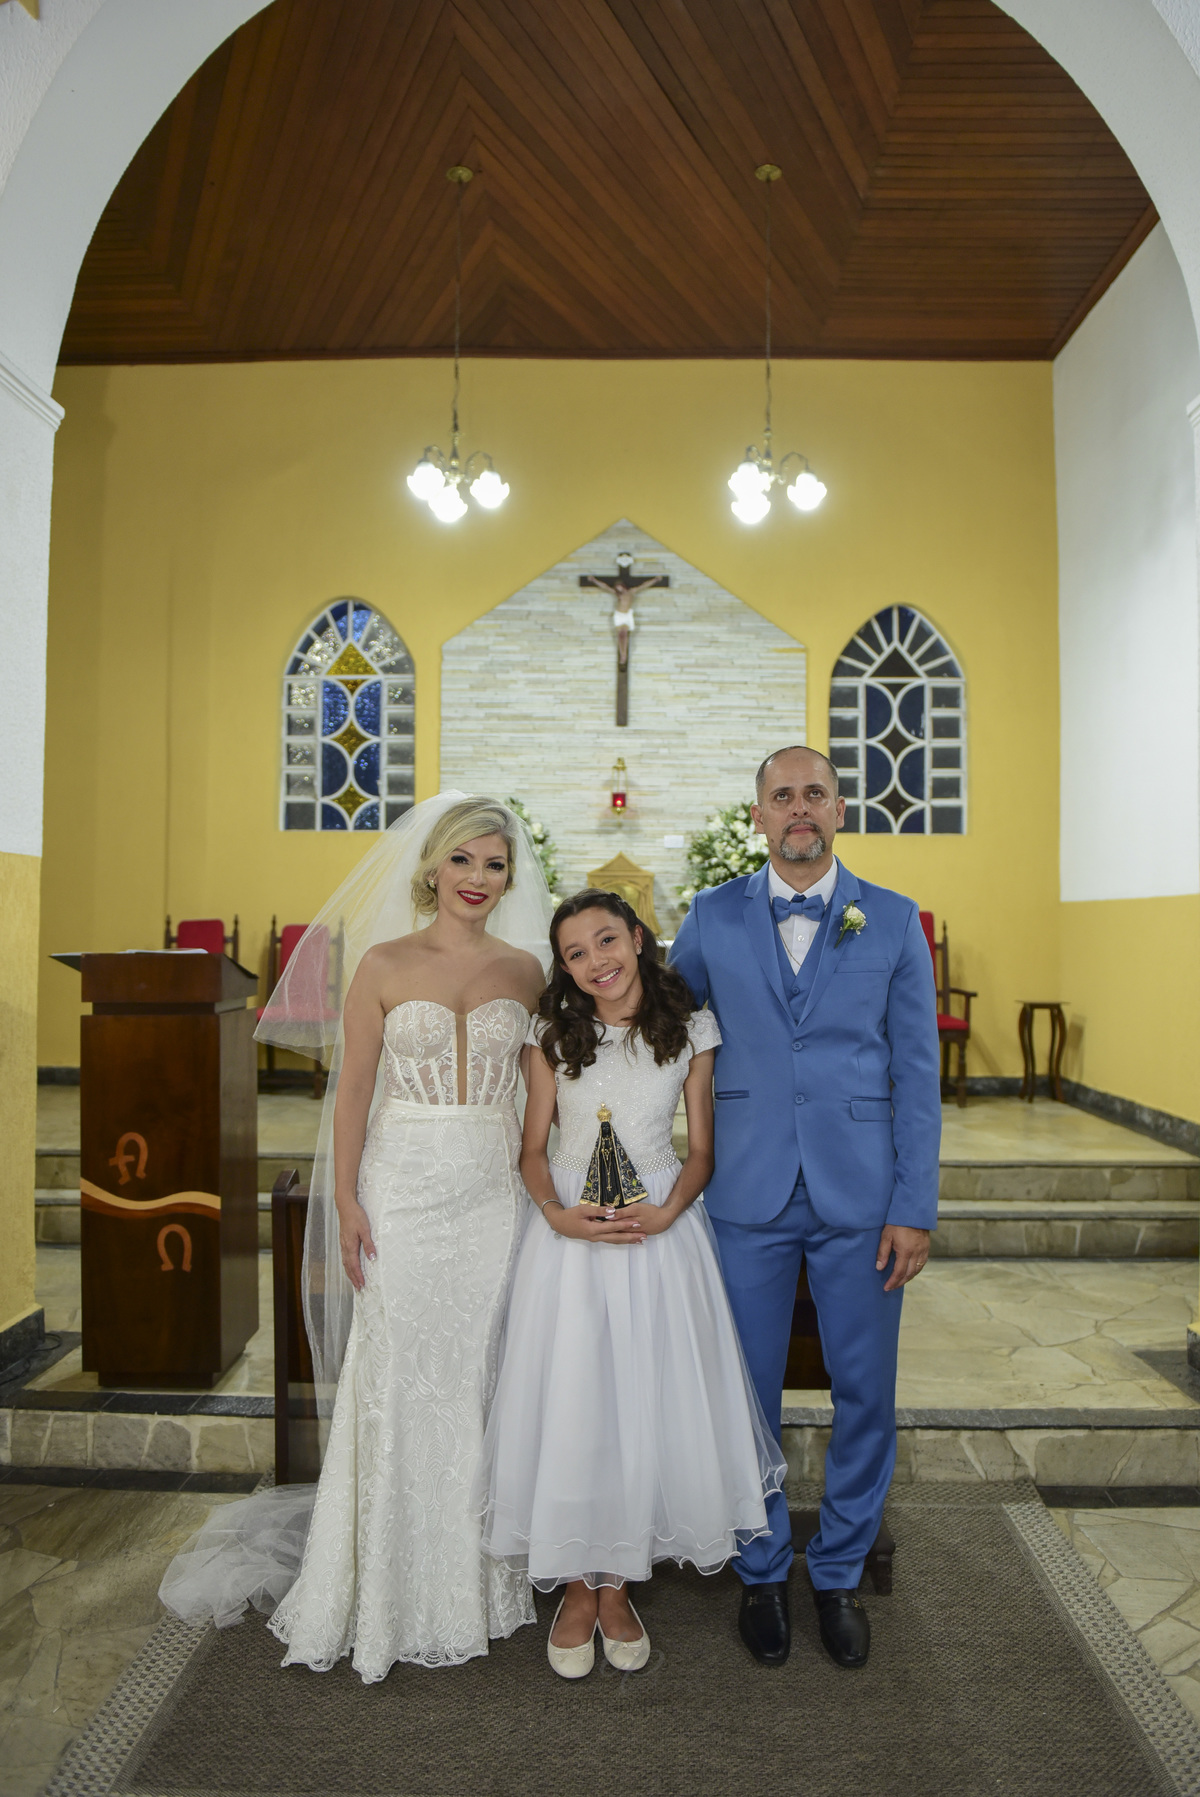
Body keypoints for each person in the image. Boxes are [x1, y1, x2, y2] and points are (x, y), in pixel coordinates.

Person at [160, 794, 553, 1680]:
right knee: (401, 1373)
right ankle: (383, 1581)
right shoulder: (381, 963)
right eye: (463, 861)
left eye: (494, 864)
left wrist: (546, 1185)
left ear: (509, 877)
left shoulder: (528, 970)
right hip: (402, 1189)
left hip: (492, 1195)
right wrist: (345, 1200)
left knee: (479, 1374)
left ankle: (480, 1580)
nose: (478, 878)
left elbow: (541, 1094)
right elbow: (352, 1092)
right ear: (432, 867)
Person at [669, 746, 940, 1672]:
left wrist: (914, 1204)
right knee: (745, 1391)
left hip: (863, 1195)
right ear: (757, 815)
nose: (799, 808)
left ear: (839, 808)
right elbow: (662, 1029)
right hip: (744, 1188)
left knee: (866, 1391)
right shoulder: (711, 915)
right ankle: (760, 1565)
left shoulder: (892, 918)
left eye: (814, 793)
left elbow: (918, 1075)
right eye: (781, 795)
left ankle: (838, 1570)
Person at [479, 890, 785, 1680]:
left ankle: (618, 1585)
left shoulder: (691, 1030)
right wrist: (557, 1216)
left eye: (607, 939)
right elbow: (532, 1150)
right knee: (577, 1405)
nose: (596, 961)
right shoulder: (551, 1034)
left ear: (639, 937)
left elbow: (702, 1151)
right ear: (564, 967)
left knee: (642, 1404)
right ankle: (576, 1589)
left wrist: (669, 1210)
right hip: (571, 1242)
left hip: (659, 1237)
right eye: (575, 953)